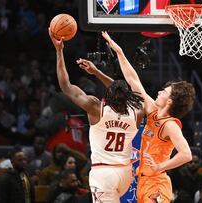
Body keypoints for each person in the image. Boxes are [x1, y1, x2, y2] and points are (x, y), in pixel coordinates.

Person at [49, 29, 145, 203]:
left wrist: (59, 51)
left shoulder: (96, 109)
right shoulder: (136, 111)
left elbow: (66, 86)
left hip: (104, 174)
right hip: (125, 172)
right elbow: (125, 93)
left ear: (108, 95)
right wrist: (98, 73)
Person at [102, 31, 194, 203]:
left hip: (157, 184)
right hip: (143, 182)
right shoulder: (152, 111)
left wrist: (160, 166)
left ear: (170, 101)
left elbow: (186, 154)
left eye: (164, 91)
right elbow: (133, 81)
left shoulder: (170, 125)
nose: (159, 91)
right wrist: (119, 52)